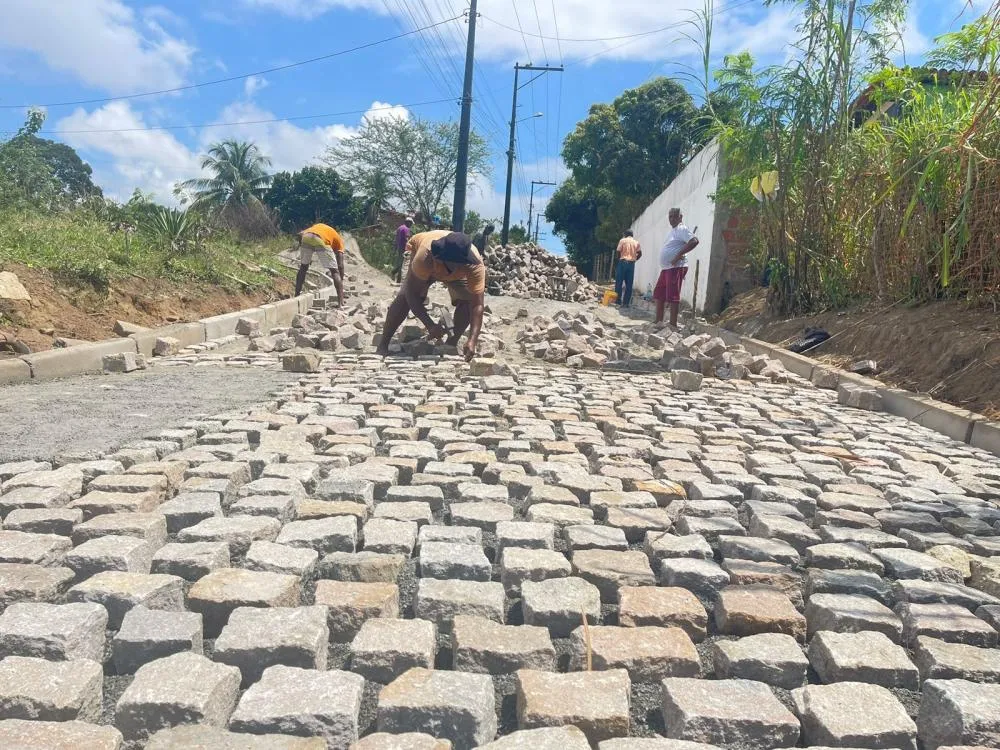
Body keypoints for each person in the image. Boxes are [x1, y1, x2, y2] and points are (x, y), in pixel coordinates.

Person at [376, 230, 486, 362]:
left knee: (467, 300)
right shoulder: (425, 256)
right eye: (454, 263)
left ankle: (450, 344)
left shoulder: (474, 265)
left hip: (455, 273)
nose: (458, 266)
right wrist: (430, 325)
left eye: (460, 263)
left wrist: (472, 340)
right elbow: (412, 294)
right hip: (425, 260)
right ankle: (383, 345)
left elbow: (477, 305)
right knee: (404, 297)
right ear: (443, 258)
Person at [654, 207, 699, 327]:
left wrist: (678, 255)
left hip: (676, 267)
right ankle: (658, 321)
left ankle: (672, 325)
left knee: (673, 296)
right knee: (659, 294)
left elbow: (694, 241)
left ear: (680, 217)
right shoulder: (673, 231)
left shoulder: (681, 228)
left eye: (675, 216)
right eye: (670, 216)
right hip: (666, 268)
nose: (672, 219)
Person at [294, 222, 344, 306]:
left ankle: (296, 295)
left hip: (306, 237)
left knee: (303, 268)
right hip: (320, 239)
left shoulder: (318, 227)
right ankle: (341, 302)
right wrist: (341, 282)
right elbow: (340, 266)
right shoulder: (339, 242)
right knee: (334, 271)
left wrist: (305, 252)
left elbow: (300, 234)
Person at [614, 229, 642, 308]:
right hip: (631, 264)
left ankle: (618, 300)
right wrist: (634, 259)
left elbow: (618, 251)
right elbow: (640, 253)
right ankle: (626, 303)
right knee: (629, 284)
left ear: (626, 234)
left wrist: (619, 260)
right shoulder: (636, 242)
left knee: (619, 282)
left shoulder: (622, 240)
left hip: (623, 262)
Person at [392, 216, 414, 283]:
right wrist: (410, 249)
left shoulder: (399, 228)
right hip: (404, 248)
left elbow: (396, 239)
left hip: (399, 247)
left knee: (400, 262)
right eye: (411, 224)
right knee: (402, 264)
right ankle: (398, 280)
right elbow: (406, 239)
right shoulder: (406, 229)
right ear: (408, 223)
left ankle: (394, 273)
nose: (411, 225)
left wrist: (394, 248)